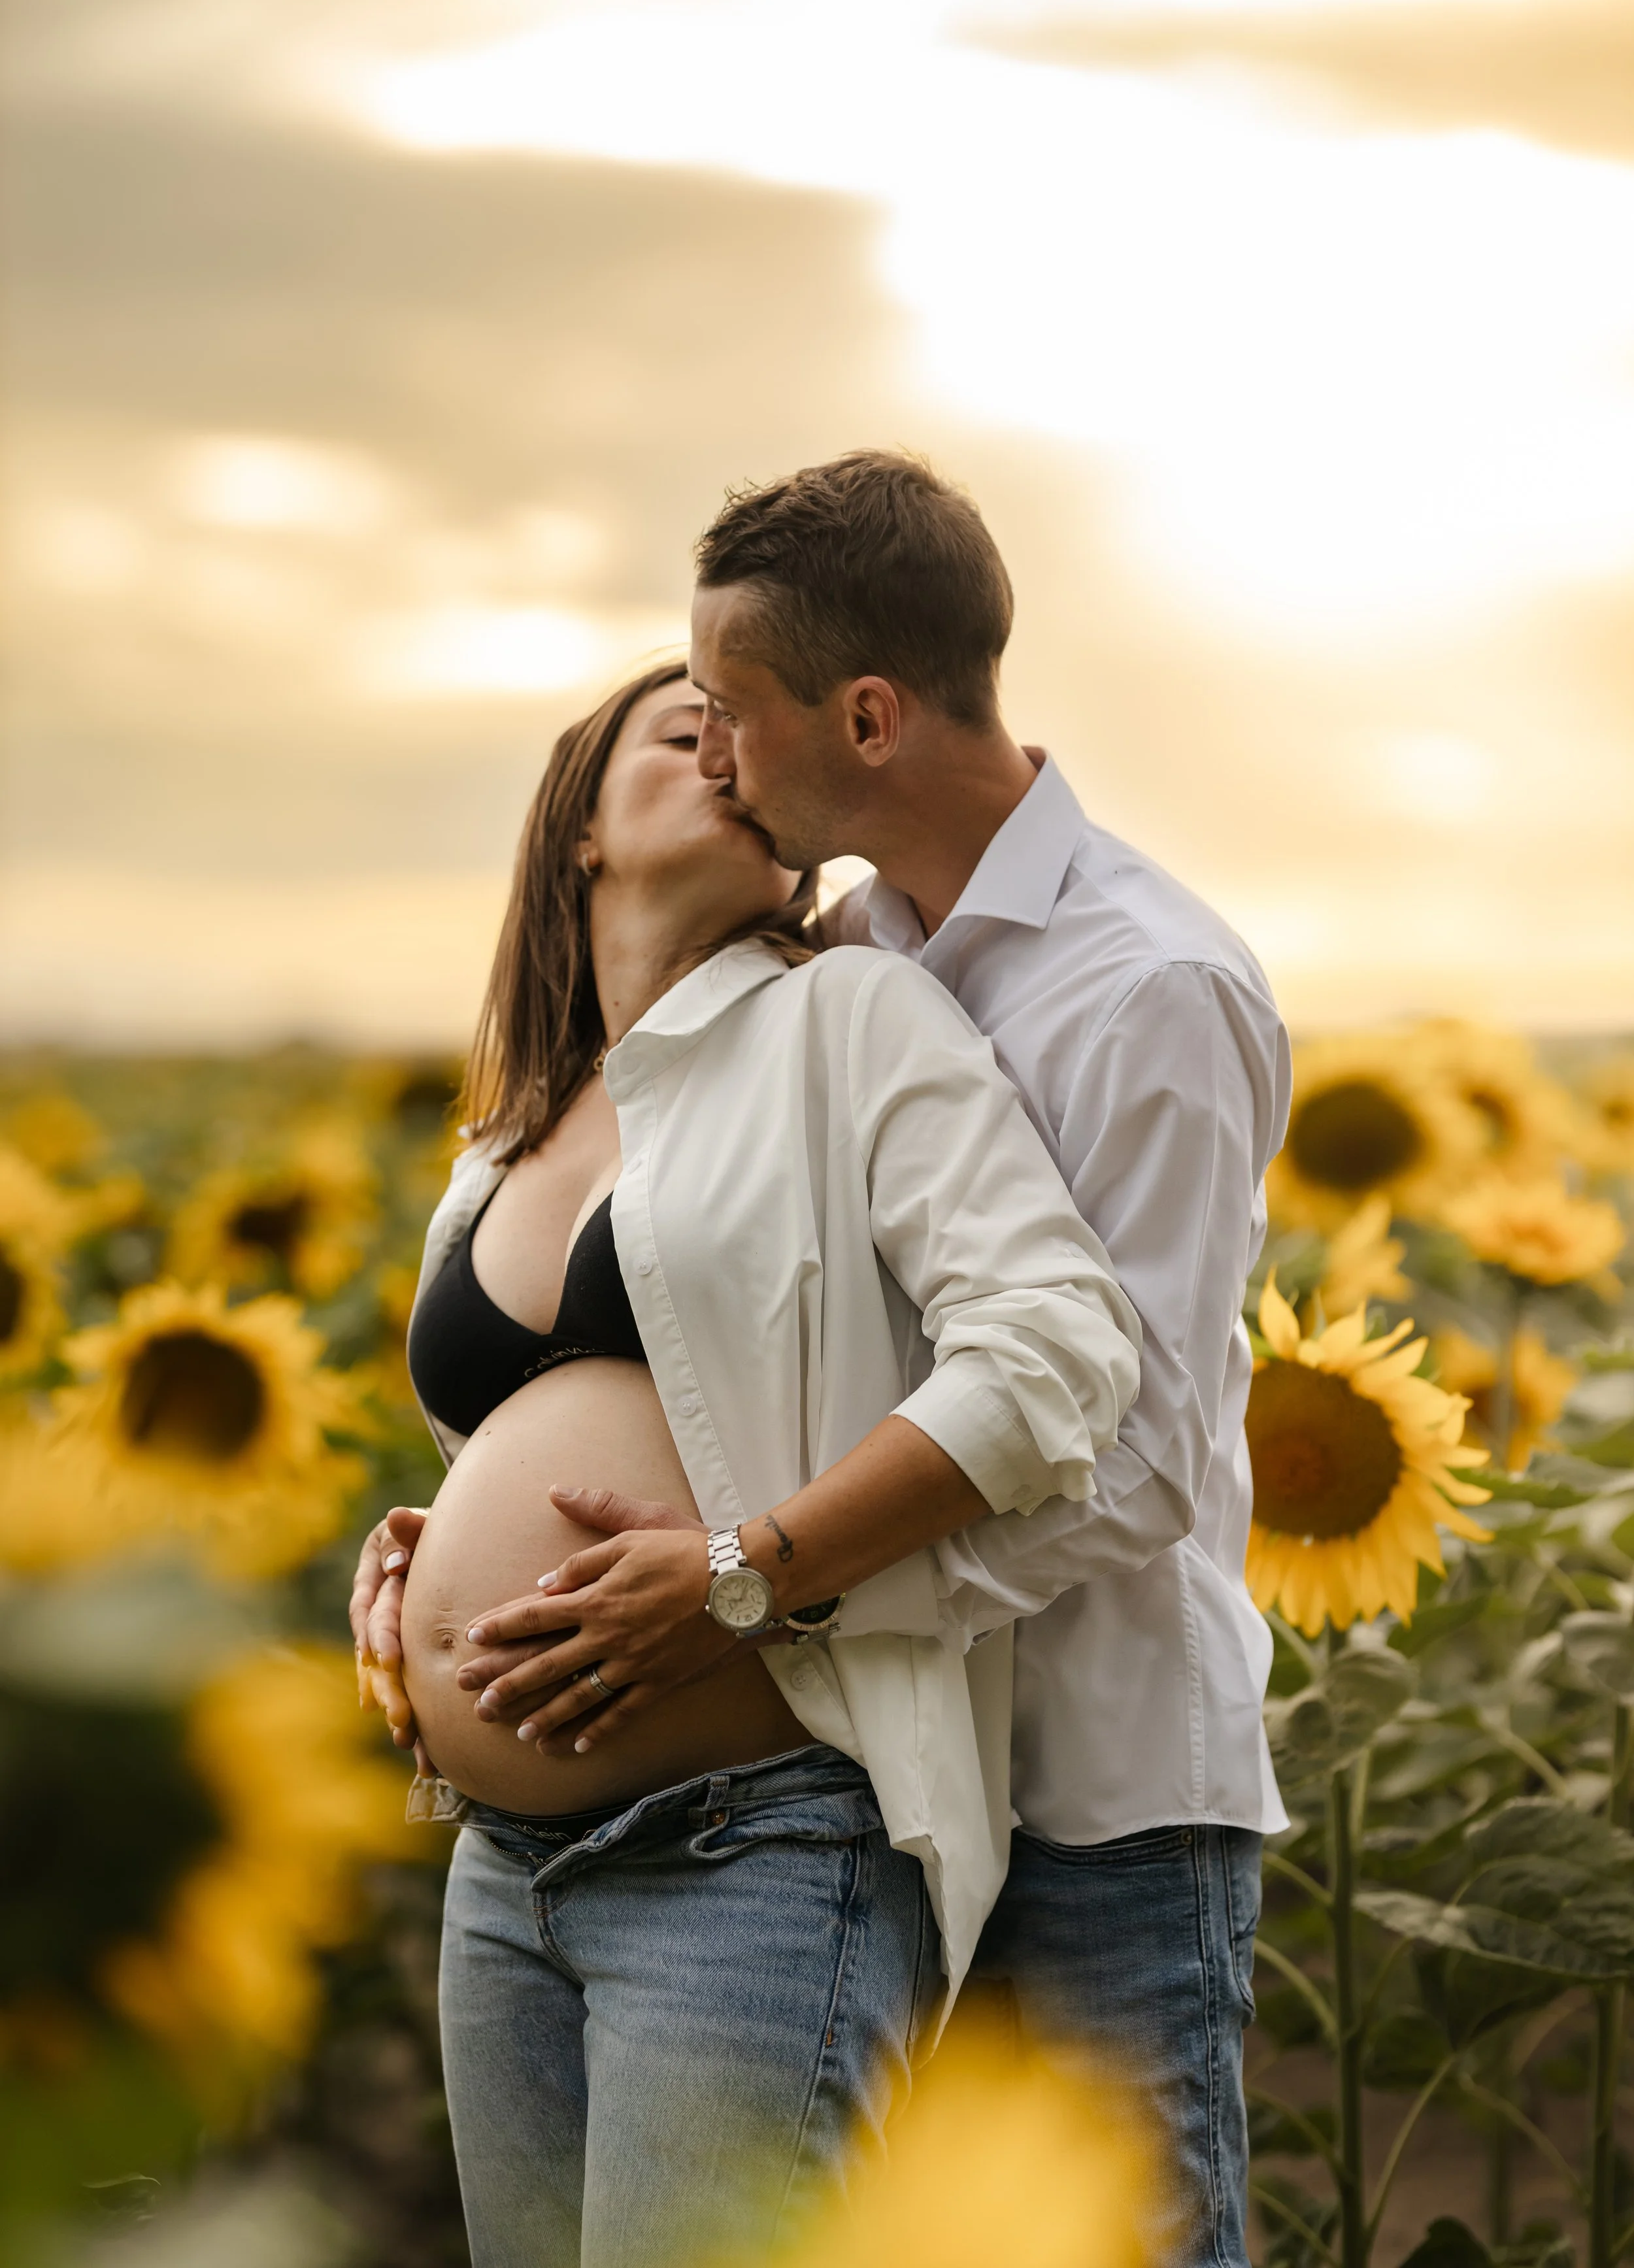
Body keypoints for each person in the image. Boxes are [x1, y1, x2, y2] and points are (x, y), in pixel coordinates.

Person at [370, 454, 1293, 2268]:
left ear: (858, 717)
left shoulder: (1131, 986)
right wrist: (435, 1565)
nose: (714, 745)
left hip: (1078, 1784)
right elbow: (726, 1367)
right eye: (681, 722)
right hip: (760, 1770)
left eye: (726, 712)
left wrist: (748, 1583)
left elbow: (1128, 1454)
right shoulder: (849, 950)